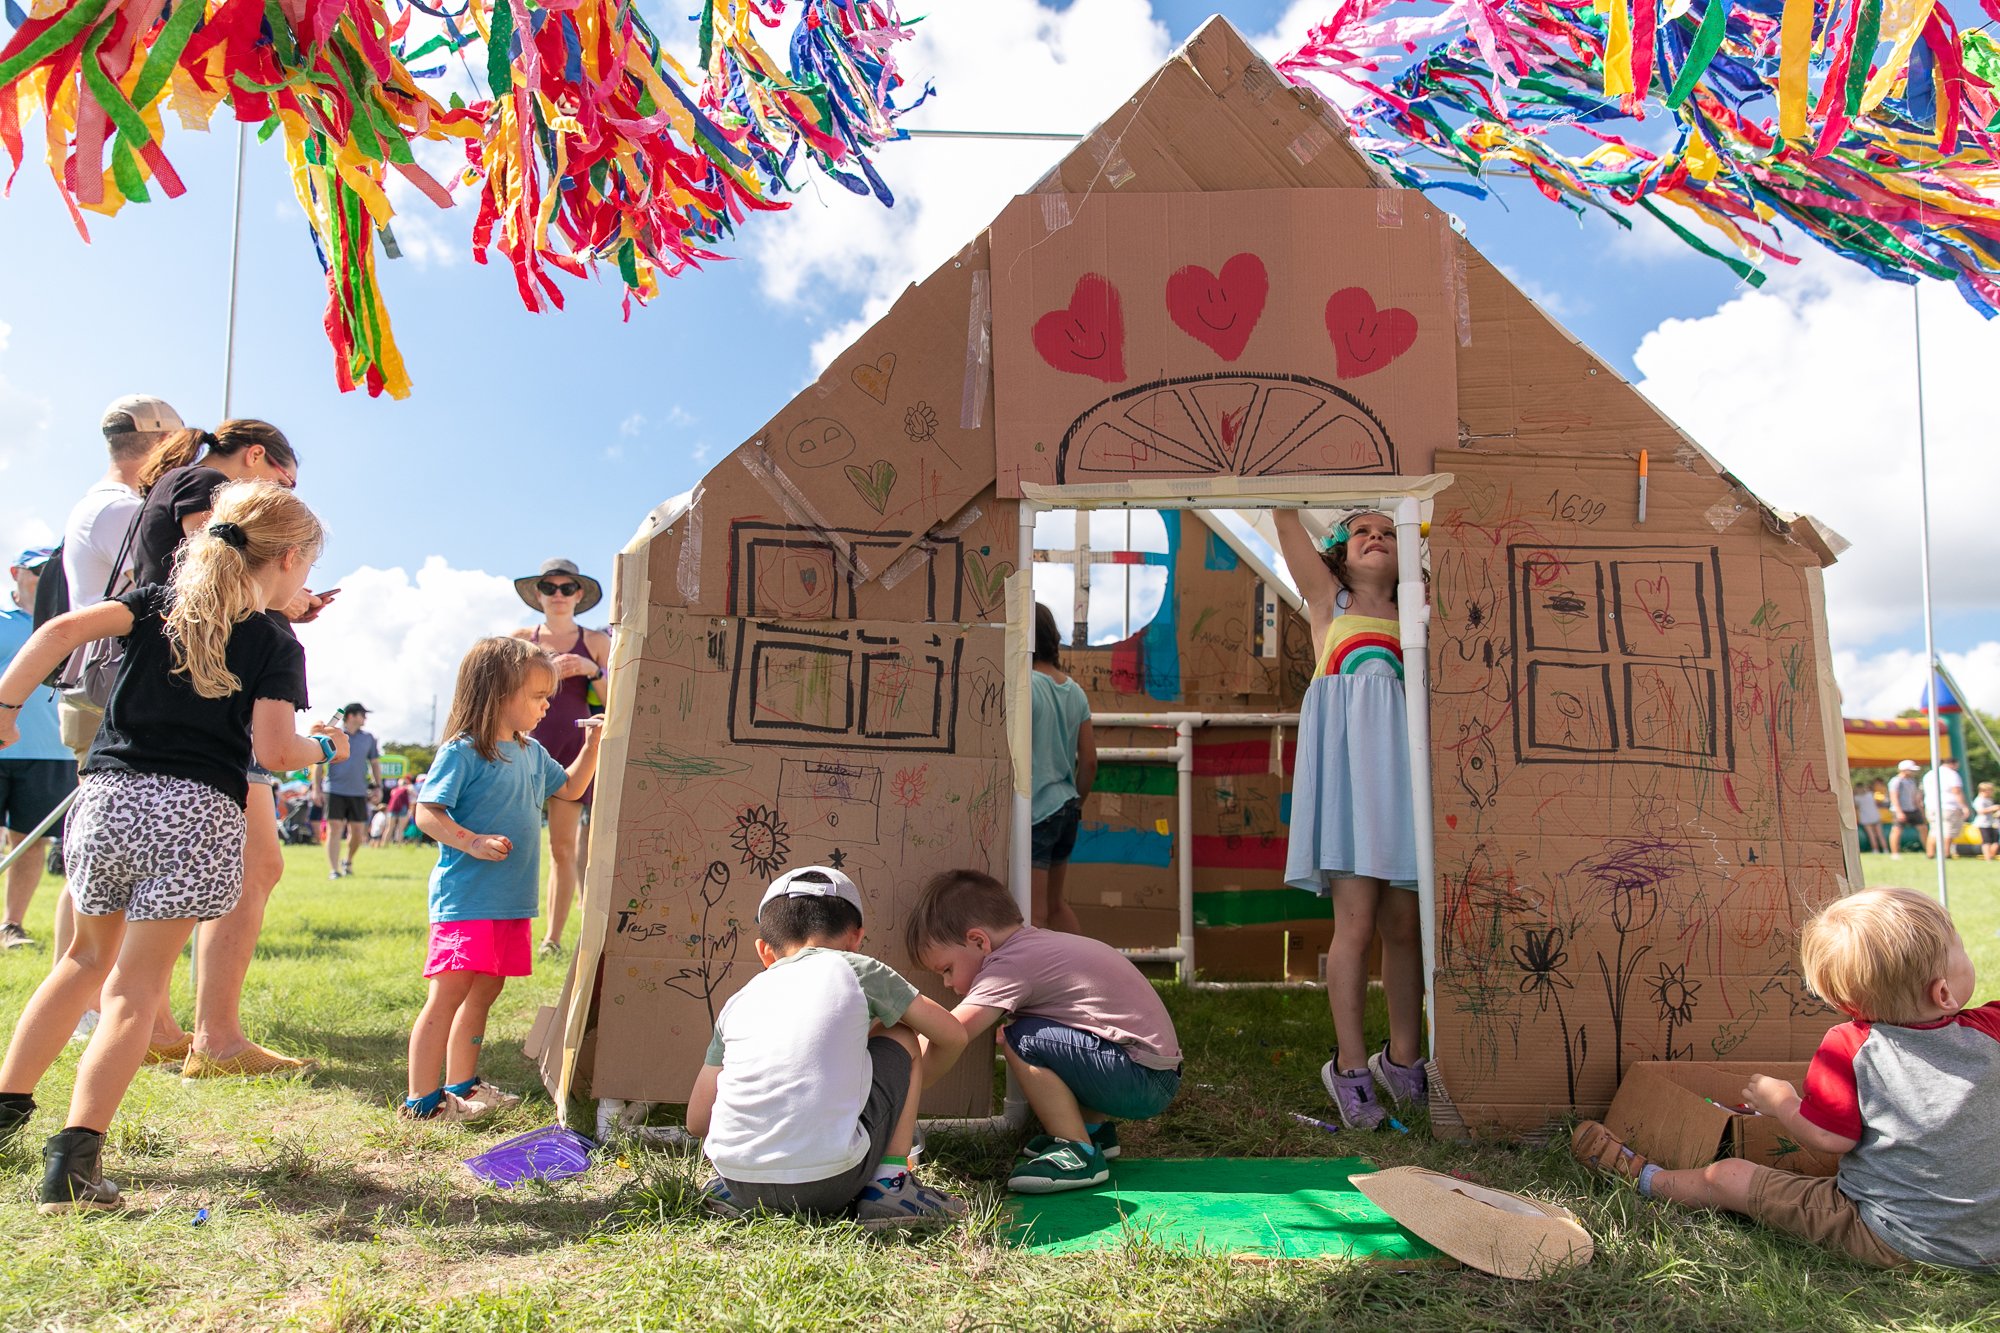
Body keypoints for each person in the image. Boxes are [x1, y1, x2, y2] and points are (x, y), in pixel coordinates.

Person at [0, 481, 343, 1211]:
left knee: (81, 963)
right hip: (194, 816)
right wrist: (330, 744)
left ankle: (4, 1112)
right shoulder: (274, 640)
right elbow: (277, 751)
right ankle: (74, 1166)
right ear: (285, 560)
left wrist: (5, 708)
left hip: (108, 803)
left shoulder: (156, 602)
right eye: (307, 567)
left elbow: (59, 633)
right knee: (134, 991)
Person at [1572, 887, 1999, 1273]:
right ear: (1943, 993)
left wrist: (1781, 1103)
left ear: (1840, 1001)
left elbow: (1832, 1139)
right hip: (1992, 1242)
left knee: (1728, 1176)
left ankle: (1646, 1178)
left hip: (1895, 1238)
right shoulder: (1990, 1029)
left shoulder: (1848, 1046)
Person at [127, 420, 333, 1080]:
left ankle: (167, 1027)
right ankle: (213, 1036)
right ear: (255, 458)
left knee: (231, 866)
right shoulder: (211, 487)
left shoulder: (178, 482)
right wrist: (279, 599)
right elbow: (211, 566)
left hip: (187, 700)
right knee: (253, 864)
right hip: (217, 699)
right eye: (284, 483)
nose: (282, 500)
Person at [690, 866, 969, 1226]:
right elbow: (953, 1035)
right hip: (829, 1182)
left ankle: (741, 1186)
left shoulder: (740, 1000)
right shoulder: (859, 970)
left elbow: (697, 1121)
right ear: (856, 938)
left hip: (739, 1183)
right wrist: (909, 1083)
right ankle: (891, 1186)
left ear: (765, 951)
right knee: (900, 1033)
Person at [406, 637, 603, 1121]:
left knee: (485, 994)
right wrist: (470, 840)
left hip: (510, 902)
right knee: (447, 996)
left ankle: (462, 1087)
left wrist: (593, 743)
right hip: (468, 899)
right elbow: (427, 812)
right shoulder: (464, 751)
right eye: (537, 696)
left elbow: (572, 788)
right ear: (498, 694)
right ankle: (421, 1102)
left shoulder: (532, 752)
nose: (546, 706)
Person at [1272, 508, 1423, 1129]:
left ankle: (1405, 1061)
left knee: (1406, 926)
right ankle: (1352, 1067)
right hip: (1349, 794)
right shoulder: (1327, 601)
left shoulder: (1419, 612)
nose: (1377, 537)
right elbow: (1284, 522)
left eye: (1390, 531)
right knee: (1354, 926)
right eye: (1361, 530)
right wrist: (1285, 496)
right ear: (1338, 549)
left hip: (1405, 789)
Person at [905, 868, 1182, 1195]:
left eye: (947, 970)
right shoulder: (1035, 946)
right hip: (1151, 1070)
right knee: (1034, 1034)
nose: (948, 984)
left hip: (1141, 1077)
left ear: (978, 941)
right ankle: (1093, 1132)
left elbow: (952, 1033)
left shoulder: (1009, 965)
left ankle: (1077, 1151)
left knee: (1022, 1038)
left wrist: (900, 1090)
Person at [508, 559, 609, 960]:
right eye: (550, 587)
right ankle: (509, 932)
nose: (559, 595)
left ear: (579, 594)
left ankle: (551, 937)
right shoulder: (520, 639)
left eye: (567, 588)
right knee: (512, 844)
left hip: (575, 753)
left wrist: (591, 668)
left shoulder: (598, 642)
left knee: (562, 849)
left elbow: (617, 699)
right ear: (538, 594)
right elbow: (500, 692)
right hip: (523, 749)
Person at [1, 551, 77, 949]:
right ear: (16, 574)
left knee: (29, 842)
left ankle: (11, 926)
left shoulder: (71, 623)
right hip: (1, 747)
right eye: (37, 572)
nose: (46, 578)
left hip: (51, 752)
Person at [1029, 603, 1096, 934]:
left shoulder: (1025, 687)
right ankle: (1088, 978)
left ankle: (1043, 987)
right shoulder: (1075, 691)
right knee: (1056, 907)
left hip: (1038, 812)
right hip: (1067, 807)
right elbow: (1090, 760)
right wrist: (1076, 800)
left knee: (1034, 915)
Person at [314, 704, 381, 879]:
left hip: (358, 791)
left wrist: (378, 787)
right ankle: (334, 870)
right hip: (334, 789)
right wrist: (316, 788)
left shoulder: (369, 739)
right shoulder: (333, 734)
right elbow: (319, 763)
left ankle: (348, 861)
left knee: (358, 832)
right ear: (351, 716)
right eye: (362, 715)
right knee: (334, 828)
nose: (365, 718)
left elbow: (374, 763)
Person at [1922, 757, 1969, 860]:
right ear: (1953, 764)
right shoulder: (1952, 774)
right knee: (1948, 830)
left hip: (1930, 806)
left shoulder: (1929, 774)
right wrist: (1964, 806)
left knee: (1934, 829)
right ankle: (1946, 853)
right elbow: (1956, 791)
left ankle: (1930, 852)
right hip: (1948, 806)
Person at [1887, 760, 1924, 860]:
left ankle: (1928, 851)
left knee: (1923, 828)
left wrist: (1919, 809)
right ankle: (1895, 853)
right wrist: (1899, 812)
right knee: (1897, 830)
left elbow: (1914, 797)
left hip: (1912, 808)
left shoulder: (1912, 781)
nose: (1913, 772)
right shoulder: (1896, 781)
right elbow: (1894, 797)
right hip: (1900, 809)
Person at [1853, 782, 1887, 855]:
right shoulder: (1870, 795)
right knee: (1880, 834)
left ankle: (1875, 850)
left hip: (1865, 818)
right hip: (1875, 816)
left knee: (1871, 835)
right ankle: (1885, 849)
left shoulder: (1856, 798)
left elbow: (1856, 807)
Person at [385, 775, 415, 845]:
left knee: (389, 827)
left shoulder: (394, 790)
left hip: (392, 808)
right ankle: (399, 844)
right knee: (401, 828)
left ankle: (384, 844)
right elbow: (414, 794)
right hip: (403, 808)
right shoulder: (407, 788)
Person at [1975, 782, 1999, 863]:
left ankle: (1991, 856)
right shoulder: (1979, 800)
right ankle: (1988, 858)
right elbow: (1980, 811)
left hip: (1991, 823)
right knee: (1986, 841)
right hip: (1983, 823)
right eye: (1990, 790)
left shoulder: (1989, 800)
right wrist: (1992, 808)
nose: (1991, 792)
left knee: (1995, 841)